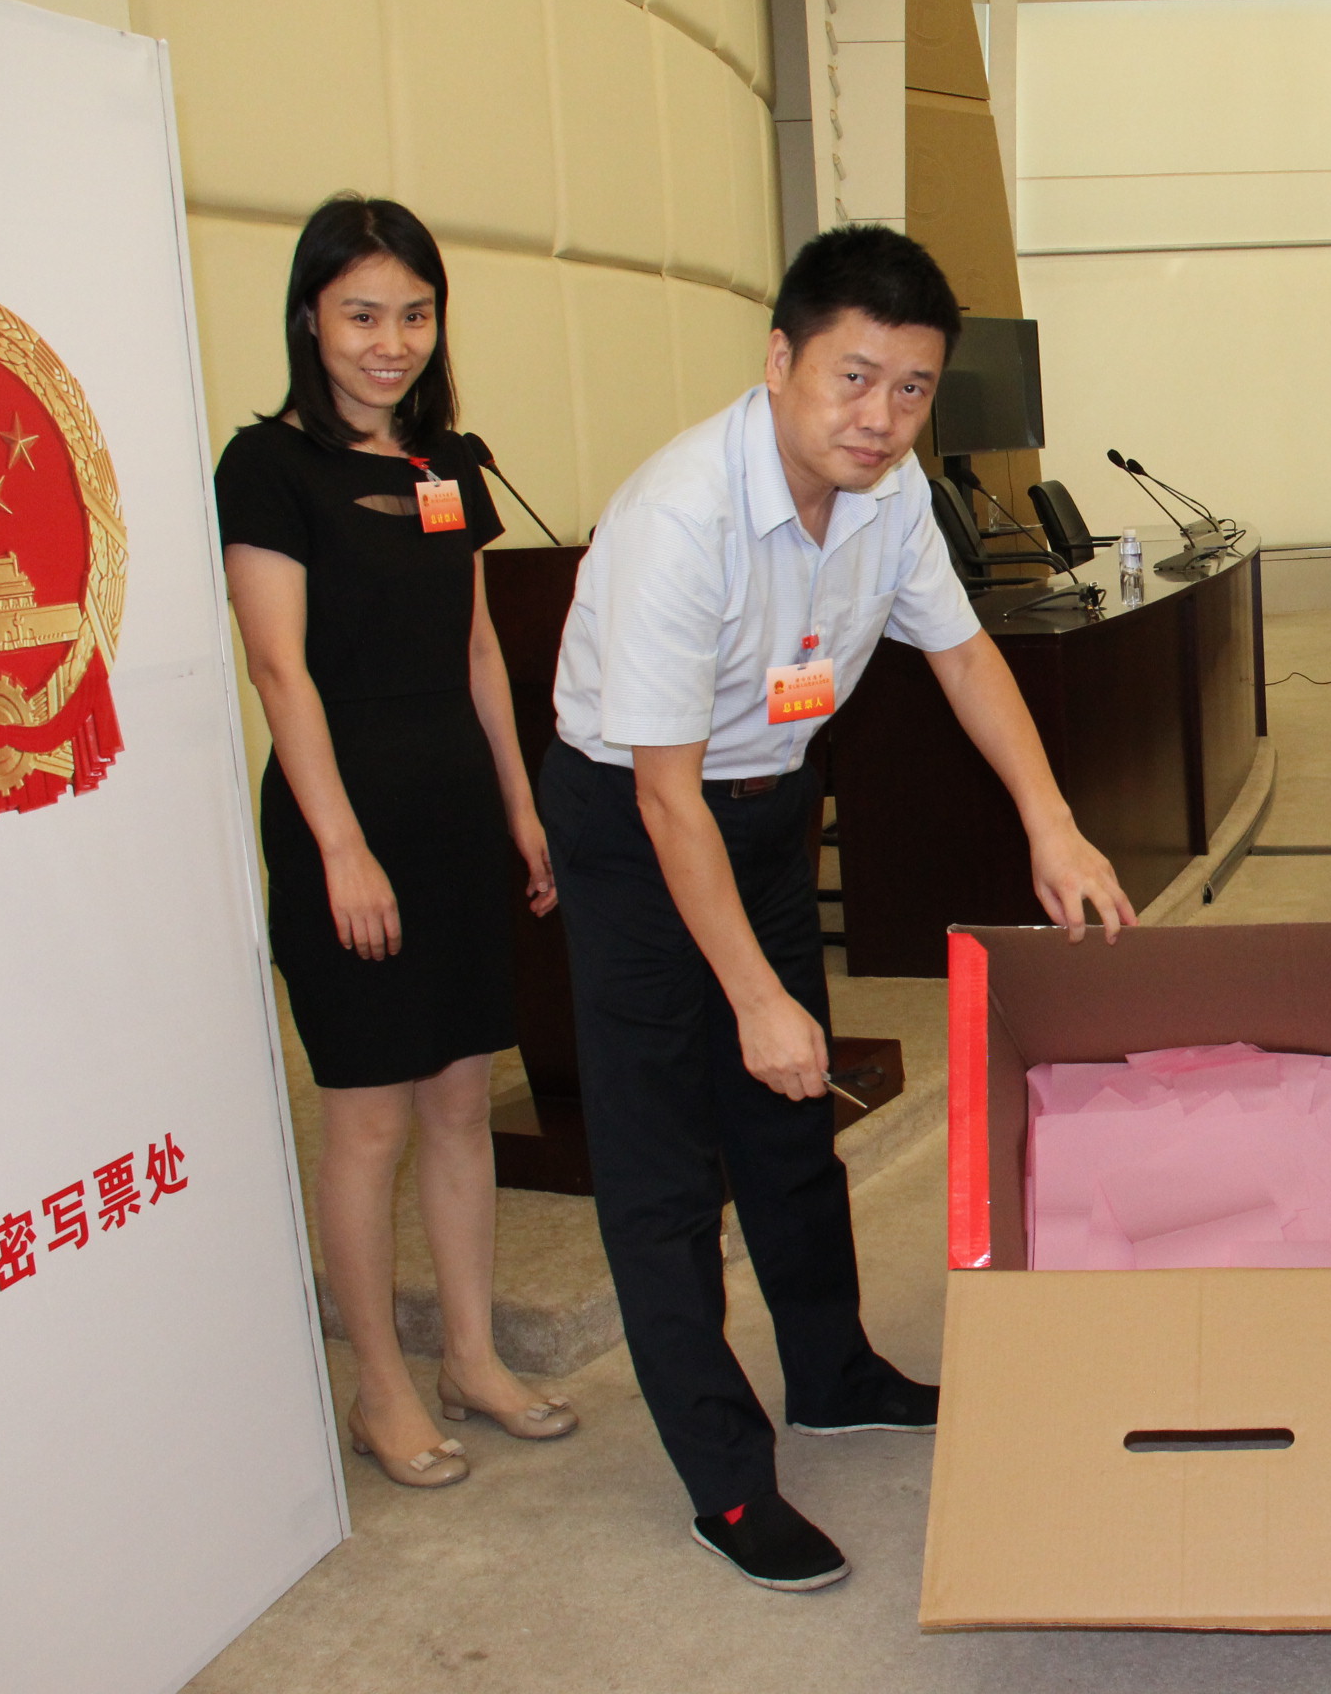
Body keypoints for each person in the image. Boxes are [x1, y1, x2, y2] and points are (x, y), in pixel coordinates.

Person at [539, 224, 1137, 1593]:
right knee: (664, 1161)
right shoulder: (681, 517)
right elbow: (665, 799)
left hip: (765, 806)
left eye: (911, 388)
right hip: (637, 822)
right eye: (854, 378)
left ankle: (833, 1372)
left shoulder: (892, 490)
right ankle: (725, 1478)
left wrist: (1049, 820)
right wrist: (751, 995)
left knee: (792, 1118)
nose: (880, 417)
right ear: (779, 362)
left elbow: (965, 655)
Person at [217, 196, 574, 1491]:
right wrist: (340, 848)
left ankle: (471, 1358)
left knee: (462, 1103)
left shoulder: (444, 465)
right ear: (310, 317)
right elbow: (279, 670)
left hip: (455, 814)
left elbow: (476, 646)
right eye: (363, 314)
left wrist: (523, 805)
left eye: (414, 315)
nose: (390, 342)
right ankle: (378, 1384)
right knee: (368, 1122)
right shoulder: (267, 467)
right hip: (346, 816)